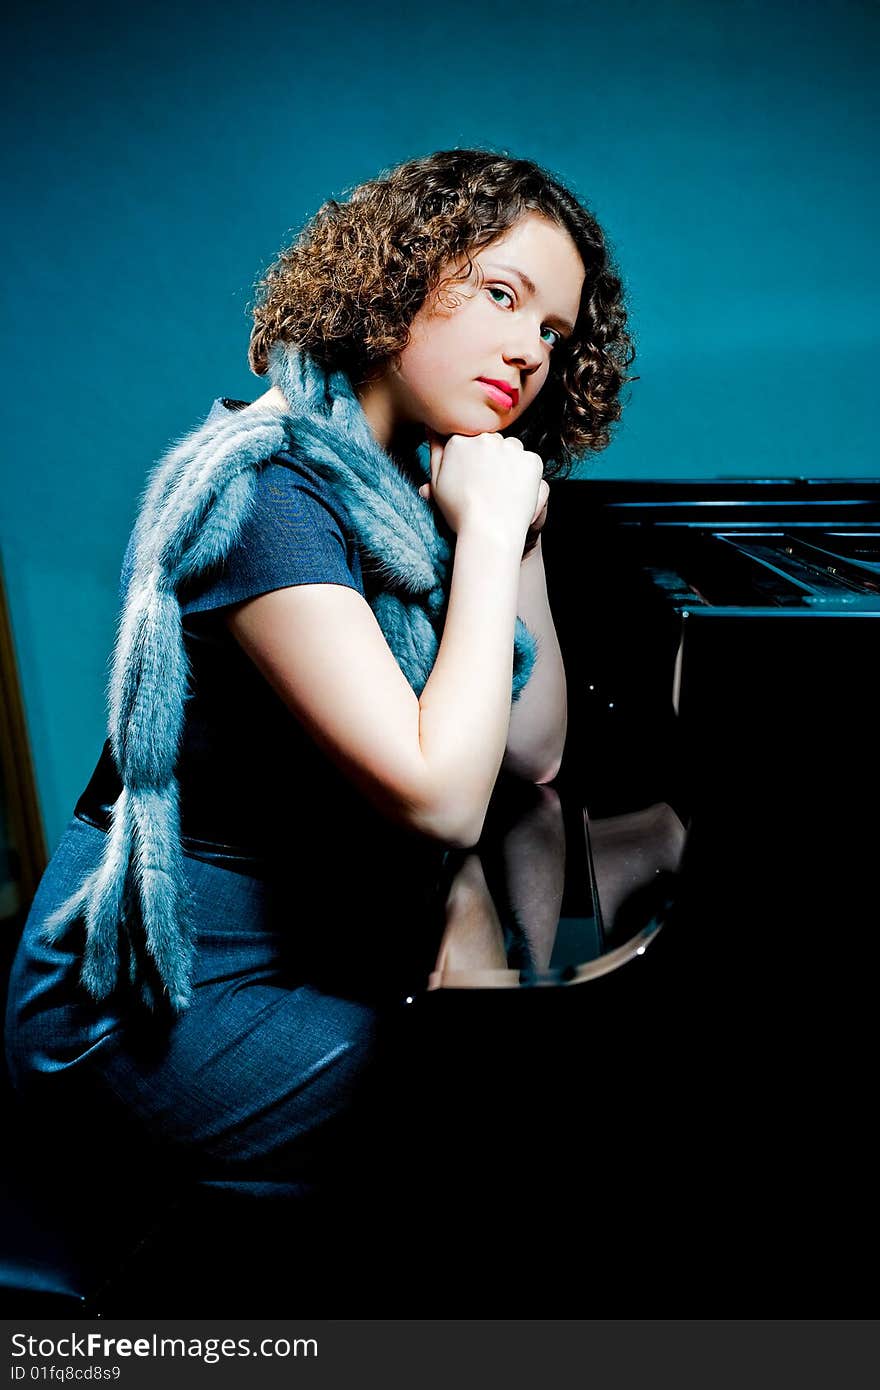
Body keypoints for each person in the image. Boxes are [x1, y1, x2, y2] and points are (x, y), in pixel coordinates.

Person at [3, 148, 633, 1272]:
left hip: (303, 959)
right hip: (153, 1006)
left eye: (554, 332)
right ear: (395, 277)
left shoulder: (412, 493)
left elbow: (528, 755)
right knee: (527, 1147)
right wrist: (485, 537)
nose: (529, 351)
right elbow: (442, 800)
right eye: (502, 295)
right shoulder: (261, 486)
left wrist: (510, 520)